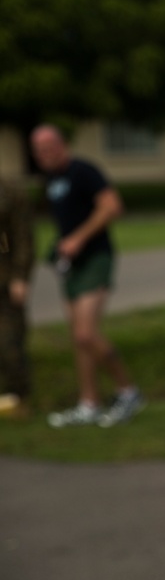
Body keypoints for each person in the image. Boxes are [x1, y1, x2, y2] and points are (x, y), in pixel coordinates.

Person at [30, 125, 142, 428]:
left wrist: (79, 239)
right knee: (78, 340)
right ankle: (89, 402)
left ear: (61, 143)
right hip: (71, 265)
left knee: (86, 334)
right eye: (38, 149)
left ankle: (128, 391)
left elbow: (112, 207)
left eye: (49, 145)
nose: (44, 153)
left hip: (95, 258)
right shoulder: (52, 179)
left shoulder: (83, 171)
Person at [0, 175, 35, 418]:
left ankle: (18, 399)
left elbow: (23, 236)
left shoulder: (10, 192)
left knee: (9, 342)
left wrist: (20, 276)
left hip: (5, 280)